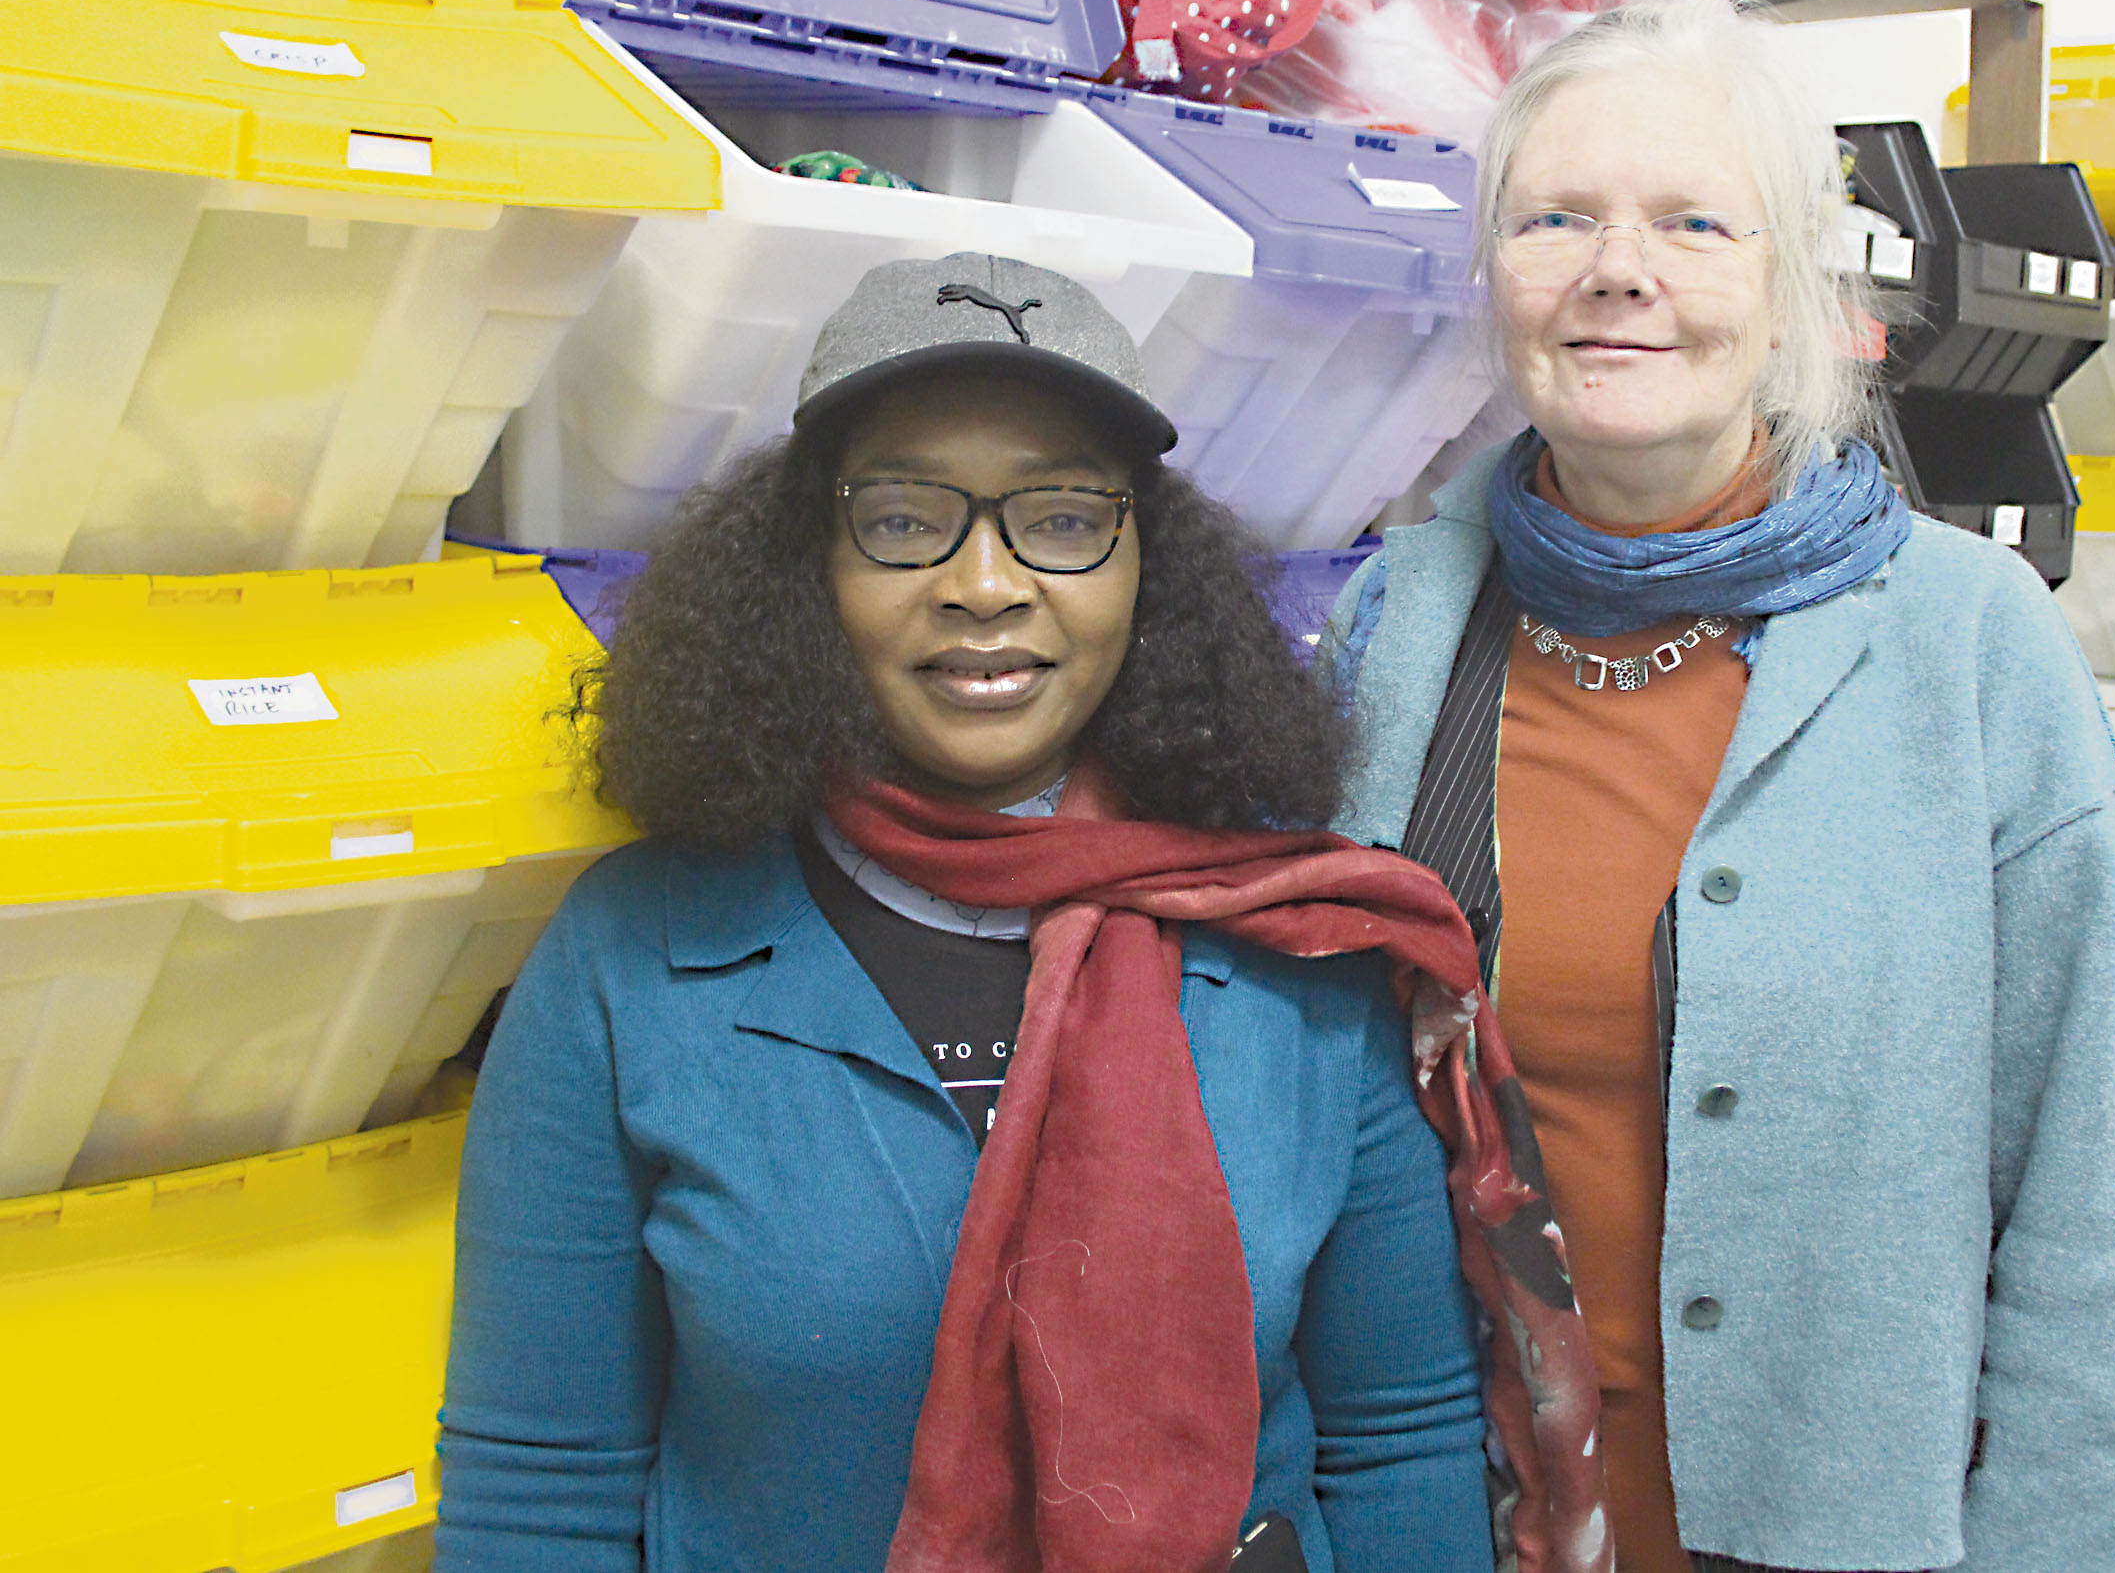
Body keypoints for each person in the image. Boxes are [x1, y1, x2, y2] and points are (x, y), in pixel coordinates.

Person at [434, 255, 1610, 1573]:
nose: (983, 584)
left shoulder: (1306, 952)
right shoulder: (632, 958)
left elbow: (1400, 1437)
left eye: (1059, 518)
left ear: (1143, 567)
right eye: (900, 517)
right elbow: (544, 1485)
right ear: (805, 563)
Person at [1322, 0, 2115, 1573]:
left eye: (1694, 222)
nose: (1618, 270)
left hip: (1824, 1522)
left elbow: (2097, 1213)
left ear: (1793, 286)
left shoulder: (1970, 649)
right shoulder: (1400, 625)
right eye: (1556, 218)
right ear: (1495, 277)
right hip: (1446, 1513)